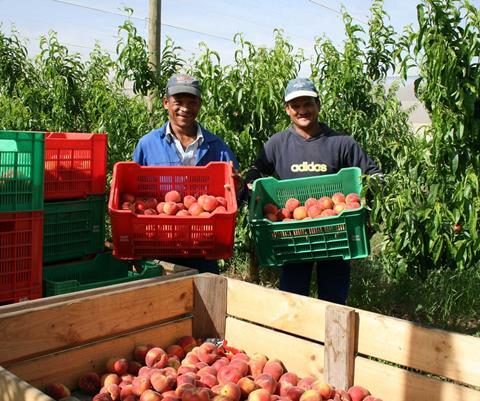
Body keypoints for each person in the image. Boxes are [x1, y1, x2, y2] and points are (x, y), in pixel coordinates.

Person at [245, 77, 383, 304]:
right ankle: (297, 338)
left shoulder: (341, 143)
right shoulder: (277, 144)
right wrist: (251, 184)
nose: (302, 110)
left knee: (334, 301)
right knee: (293, 299)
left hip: (334, 235)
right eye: (295, 106)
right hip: (293, 238)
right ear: (287, 109)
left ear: (318, 104)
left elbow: (371, 173)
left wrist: (376, 186)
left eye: (307, 103)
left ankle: (331, 339)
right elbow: (256, 170)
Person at [133, 73, 242, 274]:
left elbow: (233, 198)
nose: (185, 108)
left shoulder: (217, 147)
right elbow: (132, 192)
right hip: (158, 246)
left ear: (199, 105)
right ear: (166, 103)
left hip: (203, 246)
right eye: (178, 101)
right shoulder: (147, 144)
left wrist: (238, 188)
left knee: (205, 302)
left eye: (191, 102)